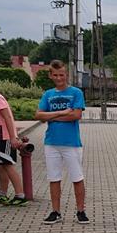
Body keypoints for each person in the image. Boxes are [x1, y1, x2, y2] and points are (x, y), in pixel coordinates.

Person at [34, 60, 88, 224]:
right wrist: (62, 113)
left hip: (71, 143)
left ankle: (81, 211)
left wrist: (51, 116)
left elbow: (76, 115)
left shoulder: (76, 92)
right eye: (55, 75)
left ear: (66, 75)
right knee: (54, 178)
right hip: (51, 143)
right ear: (51, 75)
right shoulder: (48, 94)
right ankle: (55, 211)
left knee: (77, 177)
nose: (59, 78)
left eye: (61, 75)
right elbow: (38, 115)